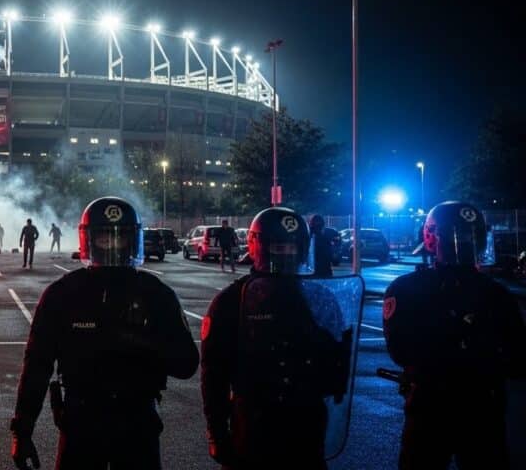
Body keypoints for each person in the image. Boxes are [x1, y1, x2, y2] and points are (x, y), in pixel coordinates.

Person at [10, 197, 199, 470]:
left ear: (132, 240)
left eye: (120, 239)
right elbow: (36, 366)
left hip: (137, 421)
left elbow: (186, 364)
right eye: (103, 239)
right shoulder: (63, 294)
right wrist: (22, 430)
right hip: (81, 422)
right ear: (89, 240)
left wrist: (143, 339)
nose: (112, 246)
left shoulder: (155, 293)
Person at [201, 207, 353, 469]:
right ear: (258, 246)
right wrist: (217, 433)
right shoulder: (231, 302)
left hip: (306, 426)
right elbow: (214, 375)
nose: (286, 255)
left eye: (292, 248)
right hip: (254, 426)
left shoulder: (319, 298)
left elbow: (335, 366)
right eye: (278, 247)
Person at [383, 201, 526, 469]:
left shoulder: (406, 288)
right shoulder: (497, 294)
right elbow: (517, 359)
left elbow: (401, 351)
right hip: (483, 406)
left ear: (429, 237)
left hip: (431, 406)